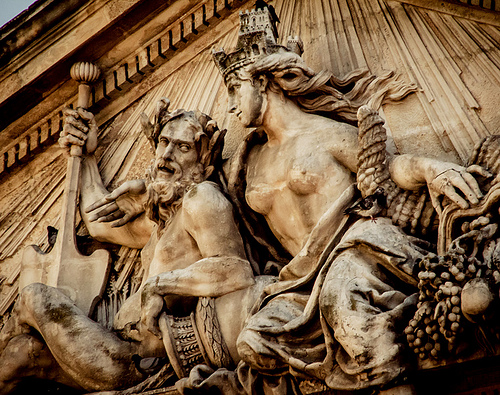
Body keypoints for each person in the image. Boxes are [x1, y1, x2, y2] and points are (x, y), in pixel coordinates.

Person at [197, 14, 491, 394]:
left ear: (262, 82)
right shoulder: (248, 163)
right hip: (299, 278)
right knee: (254, 341)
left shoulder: (328, 134)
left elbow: (387, 168)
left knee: (343, 302)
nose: (231, 107)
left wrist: (430, 167)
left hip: (359, 248)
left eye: (235, 90)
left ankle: (390, 381)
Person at [0, 101, 257, 394]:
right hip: (116, 348)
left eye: (183, 147)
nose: (167, 156)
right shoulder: (163, 220)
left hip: (137, 360)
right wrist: (86, 155)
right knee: (19, 356)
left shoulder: (201, 198)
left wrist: (158, 285)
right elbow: (98, 223)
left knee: (34, 296)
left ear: (204, 164)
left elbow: (235, 269)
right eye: (163, 143)